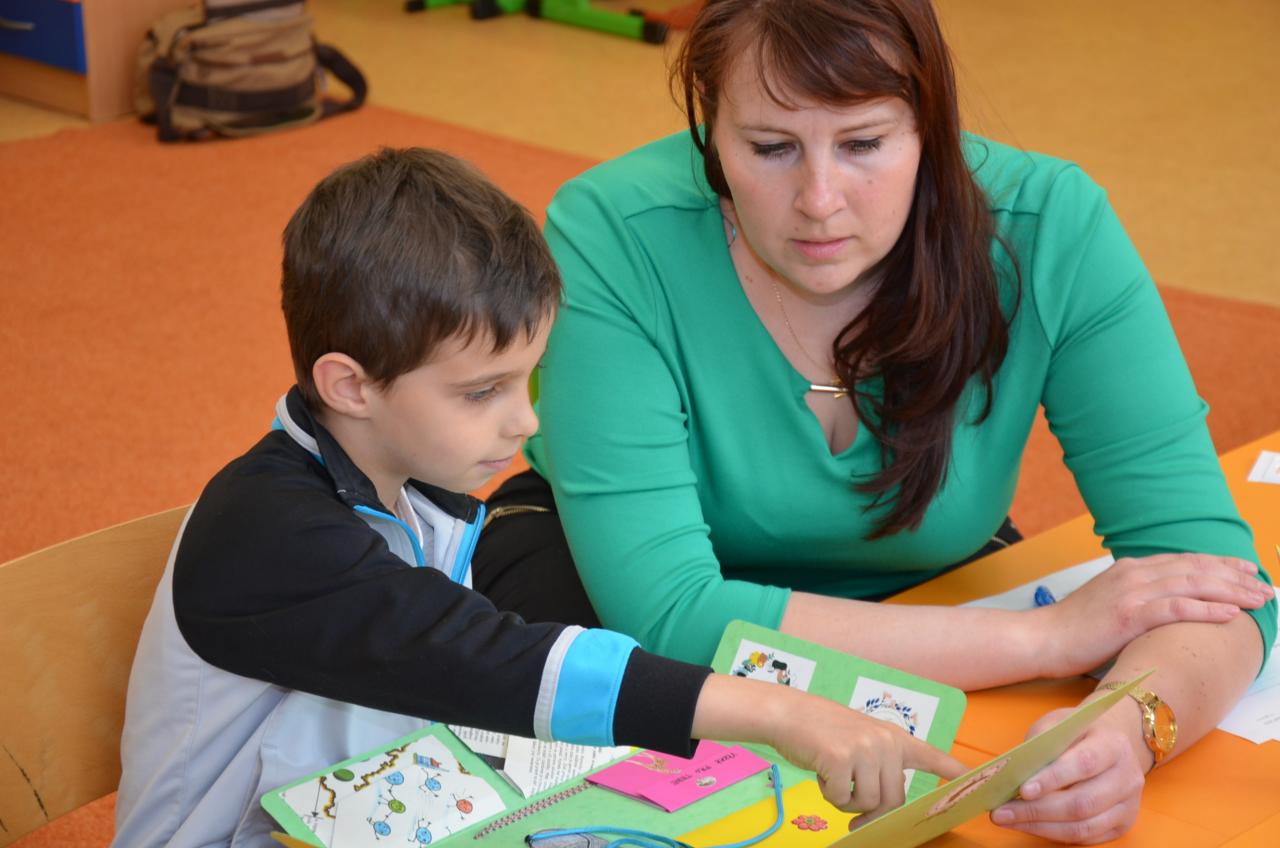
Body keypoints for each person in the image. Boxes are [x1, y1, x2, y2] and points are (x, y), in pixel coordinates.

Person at [472, 1, 1278, 843]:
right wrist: (1047, 640)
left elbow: (1219, 580)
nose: (819, 200)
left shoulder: (1050, 227)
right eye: (771, 147)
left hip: (930, 603)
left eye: (863, 143)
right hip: (607, 591)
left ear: (930, 122)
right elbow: (673, 616)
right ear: (708, 128)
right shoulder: (611, 232)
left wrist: (1130, 727)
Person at [110, 147, 966, 848]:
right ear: (352, 386)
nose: (525, 421)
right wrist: (776, 713)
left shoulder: (420, 490)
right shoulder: (268, 532)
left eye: (529, 379)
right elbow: (484, 658)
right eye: (482, 392)